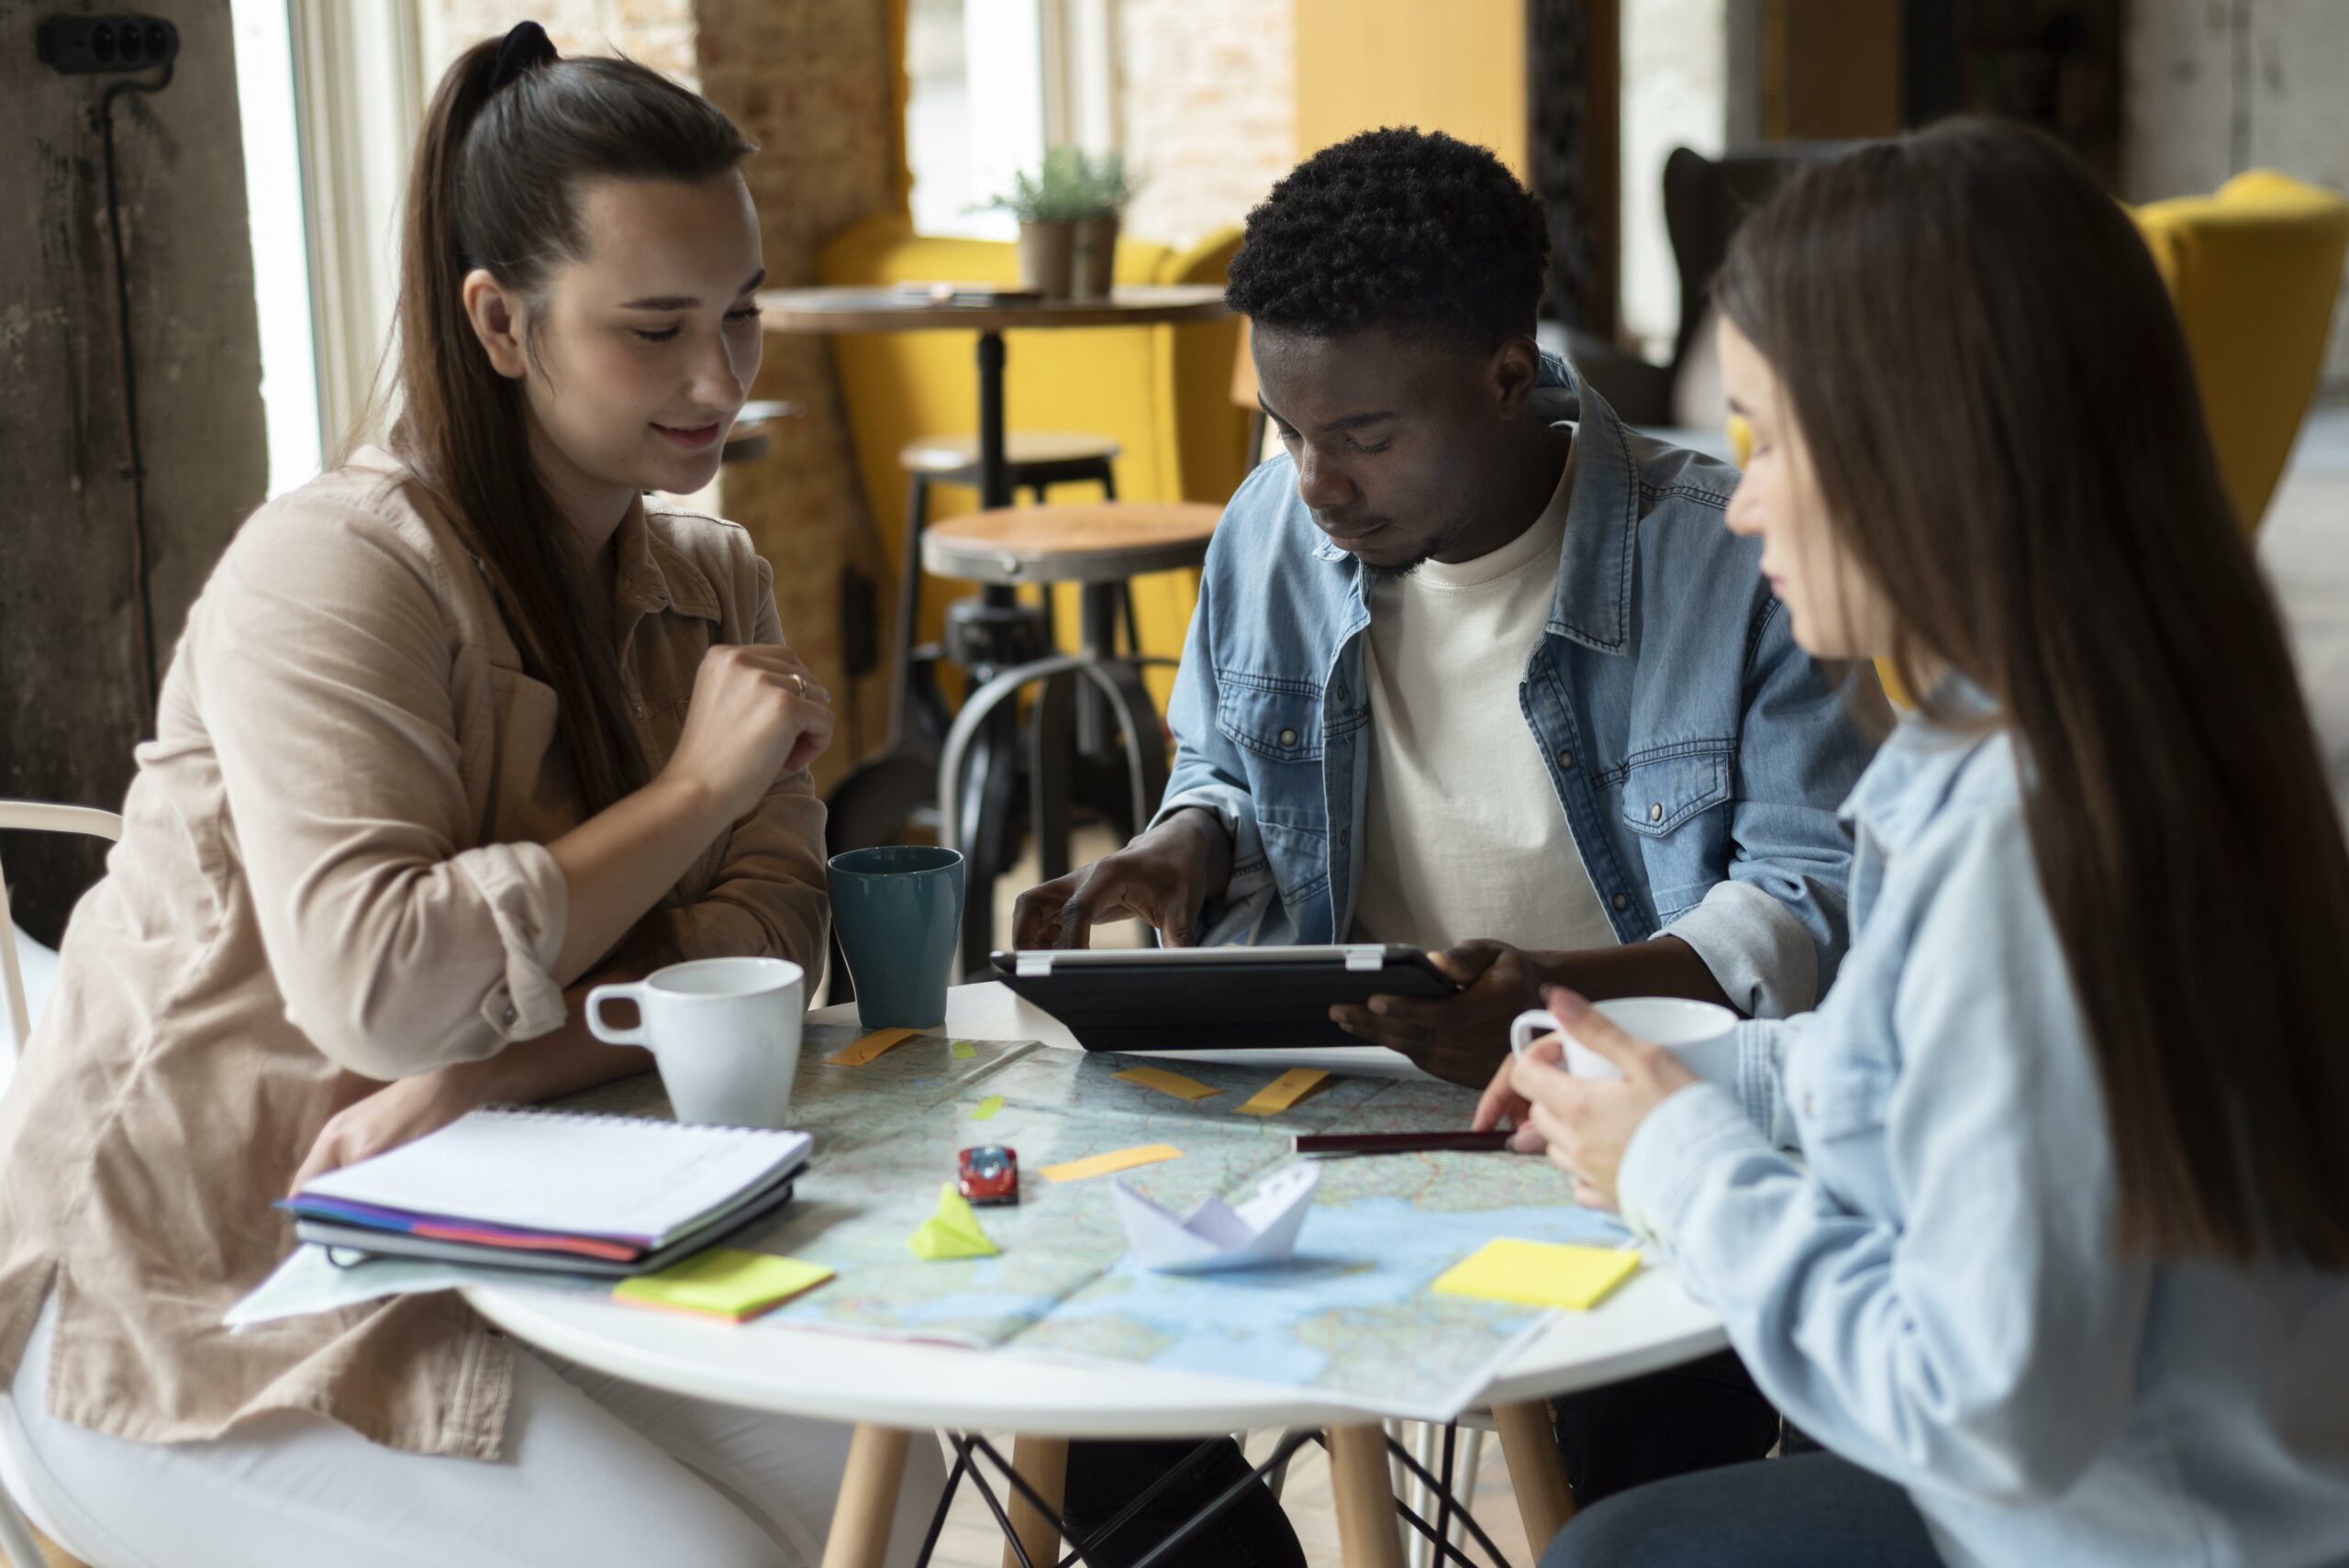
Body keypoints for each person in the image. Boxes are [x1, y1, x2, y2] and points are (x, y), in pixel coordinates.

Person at [0, 26, 943, 1565]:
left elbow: (770, 945)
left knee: (887, 1470)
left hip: (509, 1207)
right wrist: (701, 788)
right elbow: (384, 991)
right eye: (655, 329)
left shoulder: (712, 576)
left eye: (741, 315)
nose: (719, 378)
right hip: (197, 1283)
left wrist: (488, 1079)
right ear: (502, 324)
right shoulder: (334, 566)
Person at [1489, 117, 2349, 1568]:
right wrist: (1683, 1075)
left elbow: (1984, 1407)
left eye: (1770, 437)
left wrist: (1679, 1159)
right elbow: (1934, 1065)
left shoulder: (2035, 842)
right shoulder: (2123, 719)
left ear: (1929, 445)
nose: (1742, 494)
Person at [1023, 128, 1883, 1556]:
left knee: (1647, 1452)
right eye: (1285, 430)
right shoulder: (1268, 528)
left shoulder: (1729, 557)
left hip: (1627, 1110)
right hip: (1336, 1101)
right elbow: (1230, 757)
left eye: (1362, 436)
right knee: (1071, 1358)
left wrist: (1555, 1002)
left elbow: (1805, 901)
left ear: (1505, 374)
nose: (1313, 482)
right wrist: (1192, 836)